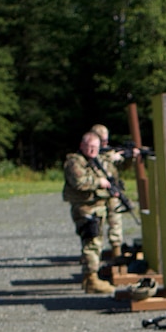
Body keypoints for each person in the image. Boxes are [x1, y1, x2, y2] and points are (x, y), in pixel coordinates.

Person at [61, 124, 124, 294]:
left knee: (96, 242)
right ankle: (91, 279)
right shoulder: (75, 161)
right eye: (88, 147)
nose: (91, 150)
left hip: (97, 208)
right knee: (92, 242)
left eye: (95, 148)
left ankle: (91, 276)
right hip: (85, 209)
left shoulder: (96, 162)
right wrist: (99, 182)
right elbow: (80, 182)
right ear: (82, 146)